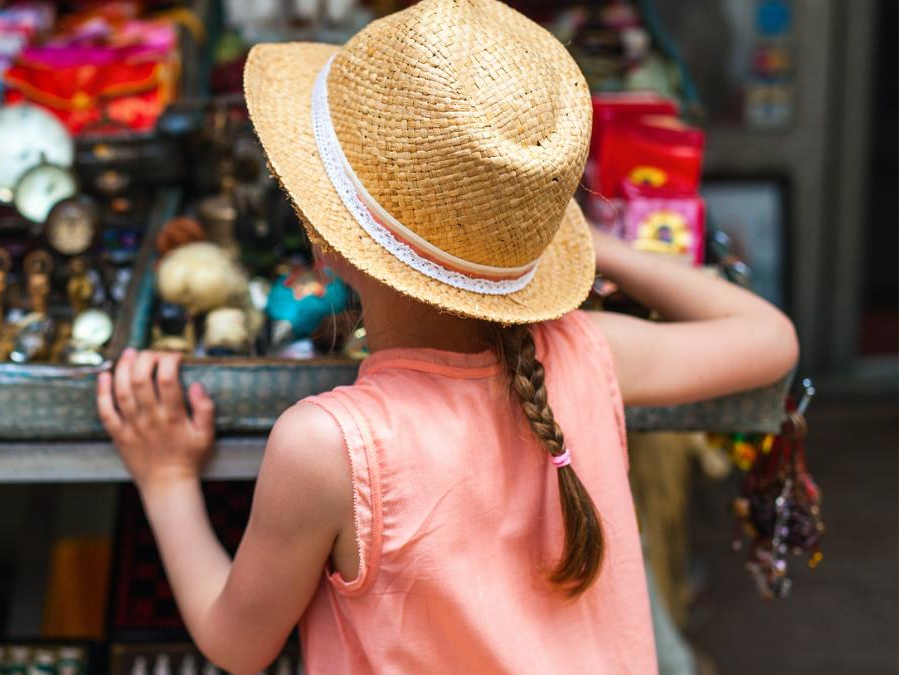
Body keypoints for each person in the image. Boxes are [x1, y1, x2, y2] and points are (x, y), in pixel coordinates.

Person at [95, 0, 798, 672]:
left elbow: (236, 644)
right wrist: (600, 248)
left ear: (322, 238)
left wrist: (165, 478)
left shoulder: (326, 447)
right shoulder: (588, 351)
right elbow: (768, 336)